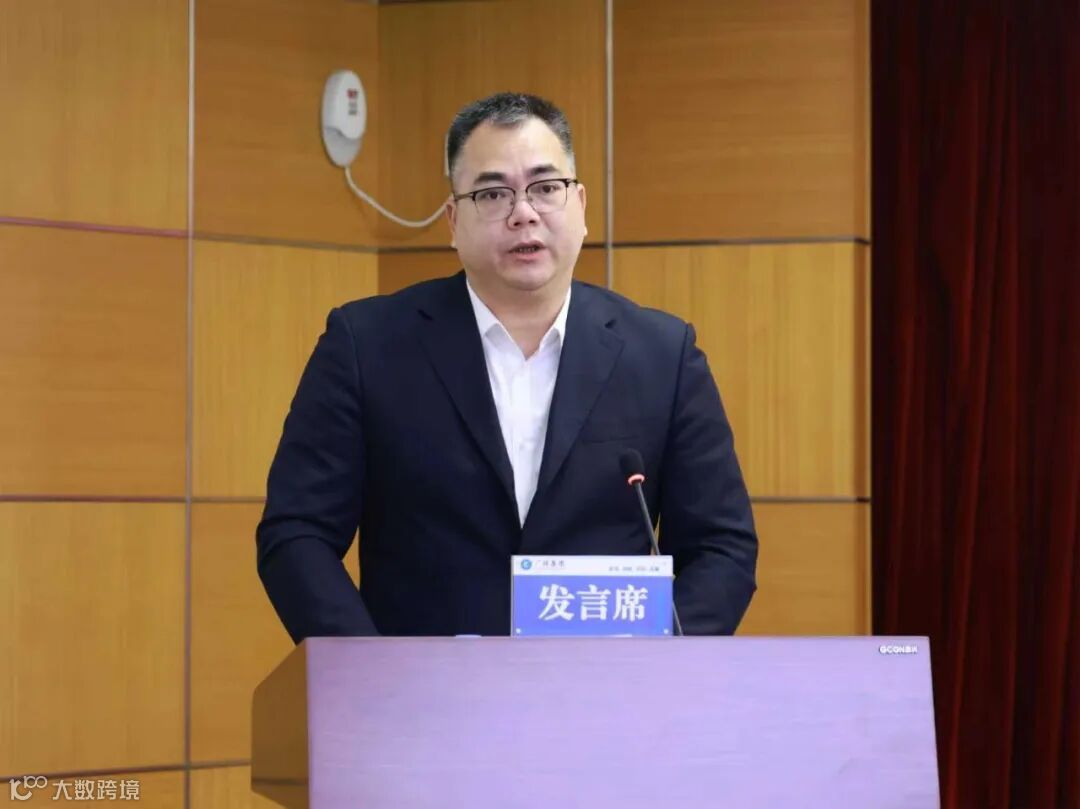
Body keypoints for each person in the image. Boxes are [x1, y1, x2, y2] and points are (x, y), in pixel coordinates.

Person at [256, 92, 757, 641]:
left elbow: (721, 547)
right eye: (493, 193)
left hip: (606, 686)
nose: (524, 213)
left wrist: (659, 664)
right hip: (424, 688)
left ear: (581, 206)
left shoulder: (662, 355)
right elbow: (297, 532)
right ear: (453, 221)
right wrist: (367, 670)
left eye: (546, 187)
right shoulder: (367, 346)